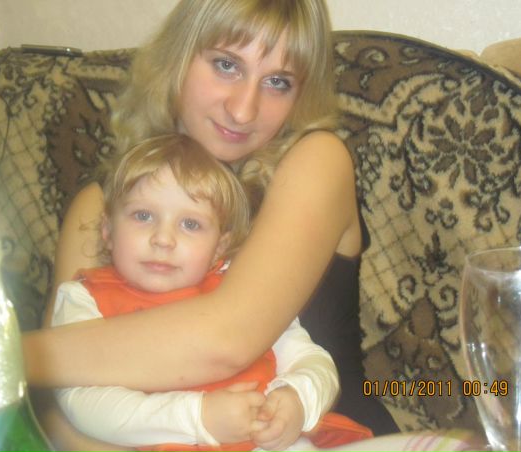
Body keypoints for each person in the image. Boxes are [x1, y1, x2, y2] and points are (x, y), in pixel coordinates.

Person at [23, 1, 400, 450]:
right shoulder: (101, 205)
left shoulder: (317, 161)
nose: (243, 110)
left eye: (278, 82)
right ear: (178, 57)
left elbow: (226, 341)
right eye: (226, 65)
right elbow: (58, 405)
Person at [51, 134, 372, 451]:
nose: (163, 239)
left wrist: (297, 397)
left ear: (220, 246)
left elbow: (314, 361)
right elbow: (79, 400)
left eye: (190, 224)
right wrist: (198, 417)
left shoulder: (237, 288)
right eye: (143, 216)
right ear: (107, 230)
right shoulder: (84, 298)